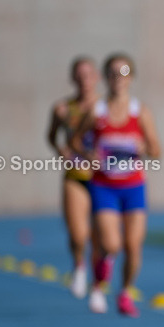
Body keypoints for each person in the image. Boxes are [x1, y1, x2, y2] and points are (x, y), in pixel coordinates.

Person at [73, 54, 161, 317]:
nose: (118, 79)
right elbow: (76, 141)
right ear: (107, 77)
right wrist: (87, 155)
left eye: (123, 73)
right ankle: (99, 281)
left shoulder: (140, 112)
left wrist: (145, 147)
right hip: (104, 186)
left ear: (131, 78)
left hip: (133, 186)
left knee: (134, 247)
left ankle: (124, 292)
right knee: (112, 244)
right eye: (113, 73)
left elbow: (157, 150)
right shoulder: (97, 111)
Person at [46, 56, 101, 298]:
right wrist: (61, 150)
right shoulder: (63, 109)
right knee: (78, 233)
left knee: (102, 236)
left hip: (103, 178)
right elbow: (51, 136)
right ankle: (79, 266)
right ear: (72, 78)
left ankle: (99, 283)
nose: (84, 80)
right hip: (76, 175)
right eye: (79, 75)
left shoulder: (105, 107)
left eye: (88, 75)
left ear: (97, 78)